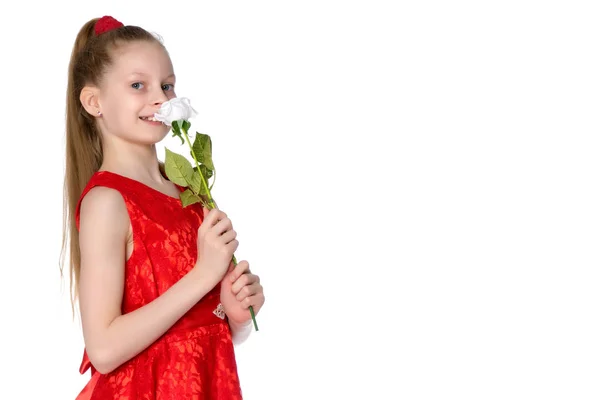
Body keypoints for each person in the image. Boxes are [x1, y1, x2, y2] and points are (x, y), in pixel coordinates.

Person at [60, 15, 265, 399]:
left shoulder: (188, 190)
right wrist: (204, 274)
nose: (161, 98)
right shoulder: (107, 202)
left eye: (167, 85)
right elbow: (103, 350)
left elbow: (197, 326)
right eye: (138, 85)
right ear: (94, 102)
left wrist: (236, 315)